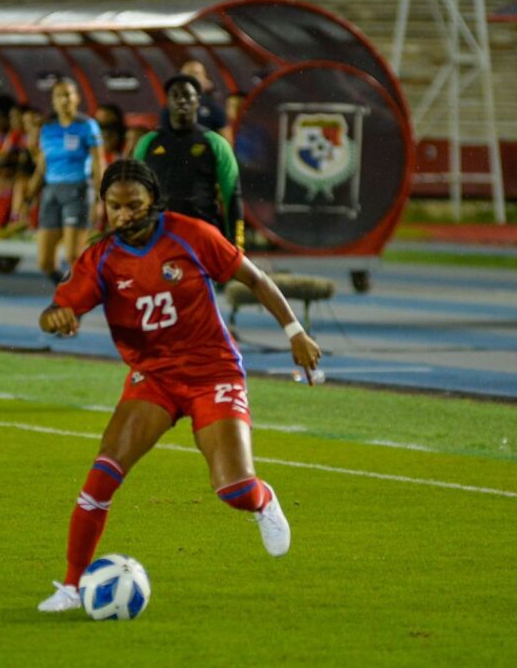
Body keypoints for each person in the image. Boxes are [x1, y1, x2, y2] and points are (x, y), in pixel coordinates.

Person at [35, 159, 321, 613]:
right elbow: (56, 311)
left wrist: (295, 332)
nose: (123, 215)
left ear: (153, 200)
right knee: (100, 479)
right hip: (154, 378)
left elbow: (255, 278)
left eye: (133, 205)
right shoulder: (100, 258)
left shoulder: (191, 234)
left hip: (213, 372)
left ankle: (263, 500)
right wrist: (57, 318)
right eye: (114, 207)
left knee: (233, 489)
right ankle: (71, 587)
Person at [135, 74, 245, 249]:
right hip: (158, 237)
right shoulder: (148, 142)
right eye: (175, 96)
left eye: (187, 95)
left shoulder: (216, 143)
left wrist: (236, 243)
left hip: (202, 237)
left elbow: (232, 195)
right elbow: (135, 192)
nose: (181, 100)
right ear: (167, 102)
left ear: (198, 101)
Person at [27, 78, 105, 284]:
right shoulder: (47, 128)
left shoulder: (87, 125)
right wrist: (31, 190)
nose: (64, 100)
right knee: (45, 262)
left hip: (78, 191)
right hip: (51, 192)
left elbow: (99, 162)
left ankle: (83, 297)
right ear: (53, 101)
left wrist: (100, 199)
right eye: (59, 96)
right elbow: (43, 162)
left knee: (73, 256)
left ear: (77, 98)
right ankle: (68, 293)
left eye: (68, 95)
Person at [171, 60, 227, 133]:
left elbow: (225, 134)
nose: (191, 77)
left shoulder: (213, 105)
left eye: (196, 73)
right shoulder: (171, 106)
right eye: (187, 74)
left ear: (205, 77)